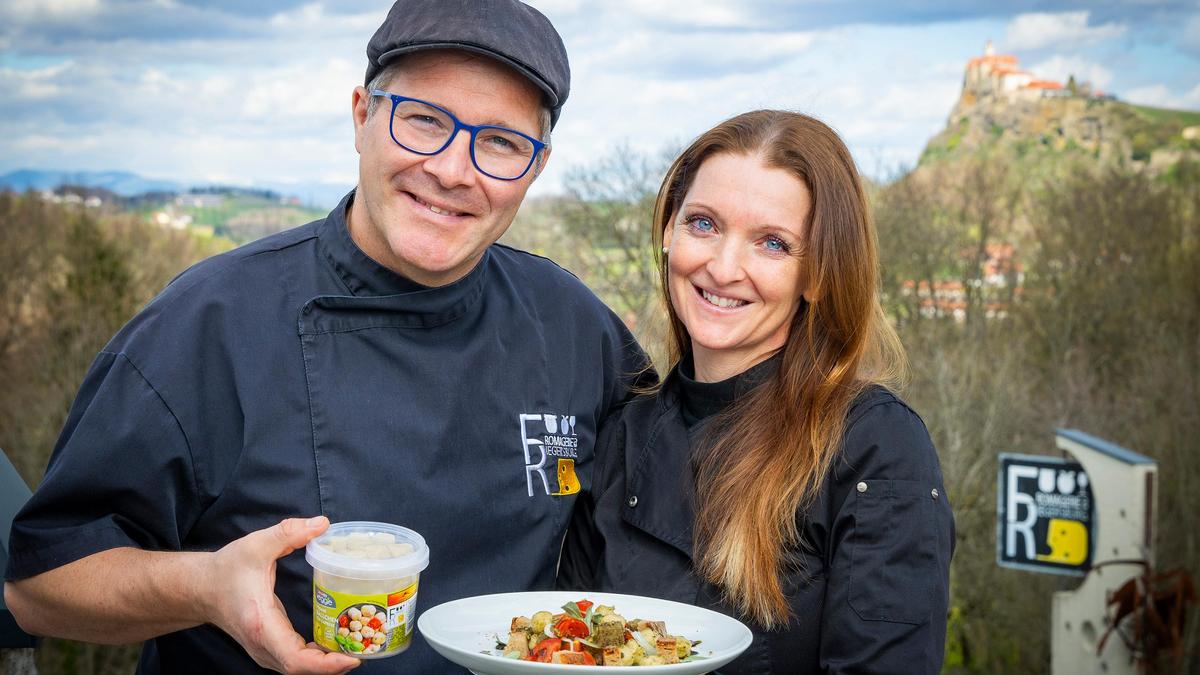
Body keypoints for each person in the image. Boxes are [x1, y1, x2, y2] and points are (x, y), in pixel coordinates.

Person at [3, 1, 647, 673]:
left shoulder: (576, 326)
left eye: (501, 142)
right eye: (424, 120)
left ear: (536, 167)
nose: (455, 170)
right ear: (362, 117)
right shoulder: (208, 322)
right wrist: (205, 587)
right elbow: (39, 586)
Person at [558, 110, 955, 672]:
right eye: (703, 224)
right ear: (669, 232)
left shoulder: (874, 446)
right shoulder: (623, 435)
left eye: (771, 243)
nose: (723, 267)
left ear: (818, 274)